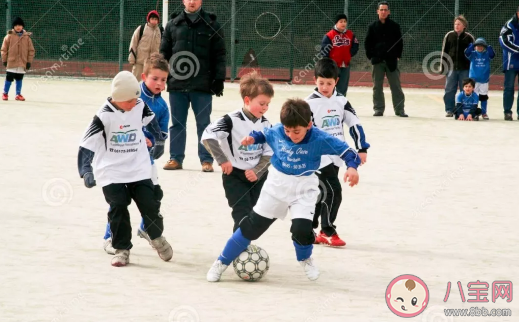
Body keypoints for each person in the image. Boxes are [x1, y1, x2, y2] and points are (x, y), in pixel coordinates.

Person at [205, 99, 361, 282]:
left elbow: (348, 152)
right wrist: (252, 138)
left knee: (301, 229)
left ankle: (305, 259)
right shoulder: (278, 130)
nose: (292, 135)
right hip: (276, 186)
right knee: (251, 227)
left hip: (304, 189)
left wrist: (352, 167)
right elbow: (263, 134)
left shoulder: (320, 138)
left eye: (297, 131)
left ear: (309, 125)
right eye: (288, 130)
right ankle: (221, 262)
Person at [78, 71, 173, 267]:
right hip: (111, 170)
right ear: (119, 99)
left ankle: (156, 236)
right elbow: (86, 145)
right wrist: (86, 171)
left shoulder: (139, 105)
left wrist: (158, 141)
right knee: (119, 206)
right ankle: (122, 249)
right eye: (131, 99)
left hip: (138, 166)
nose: (135, 102)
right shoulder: (103, 116)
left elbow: (152, 122)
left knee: (150, 202)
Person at [102, 53, 170, 255]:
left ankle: (147, 228)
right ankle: (110, 236)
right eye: (154, 78)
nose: (159, 83)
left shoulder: (163, 106)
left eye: (163, 80)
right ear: (143, 77)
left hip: (144, 160)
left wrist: (156, 143)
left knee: (154, 196)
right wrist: (140, 136)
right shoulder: (129, 96)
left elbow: (161, 135)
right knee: (119, 201)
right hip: (121, 160)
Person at [305, 58, 370, 247]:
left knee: (321, 193)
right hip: (318, 157)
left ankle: (309, 229)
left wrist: (362, 148)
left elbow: (354, 123)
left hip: (336, 156)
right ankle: (327, 230)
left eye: (329, 83)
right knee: (334, 192)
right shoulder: (308, 104)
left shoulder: (342, 101)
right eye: (321, 82)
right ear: (315, 80)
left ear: (336, 81)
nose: (325, 87)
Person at [201, 72, 274, 232]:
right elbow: (207, 137)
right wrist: (222, 160)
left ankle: (242, 247)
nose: (265, 107)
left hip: (258, 178)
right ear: (247, 100)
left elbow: (269, 153)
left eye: (268, 104)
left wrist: (257, 170)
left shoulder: (267, 125)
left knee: (255, 216)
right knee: (242, 214)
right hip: (234, 177)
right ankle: (238, 251)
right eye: (262, 103)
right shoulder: (229, 120)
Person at [160, 0, 226, 172]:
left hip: (202, 85)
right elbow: (163, 54)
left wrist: (219, 79)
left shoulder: (212, 25)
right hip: (177, 85)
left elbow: (219, 55)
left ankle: (206, 160)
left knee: (204, 124)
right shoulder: (172, 25)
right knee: (177, 123)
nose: (191, 1)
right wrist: (161, 78)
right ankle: (175, 158)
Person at [364, 1, 407, 117]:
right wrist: (371, 56)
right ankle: (378, 109)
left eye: (385, 10)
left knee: (396, 86)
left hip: (391, 61)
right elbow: (367, 43)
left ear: (389, 12)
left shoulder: (394, 26)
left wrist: (397, 55)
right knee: (377, 86)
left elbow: (400, 43)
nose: (383, 12)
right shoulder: (372, 27)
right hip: (377, 61)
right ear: (377, 11)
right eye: (381, 10)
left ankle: (399, 110)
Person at [441, 15, 474, 117]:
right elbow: (444, 51)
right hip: (451, 68)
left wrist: (472, 69)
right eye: (455, 24)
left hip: (465, 69)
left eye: (459, 24)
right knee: (449, 89)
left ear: (464, 26)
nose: (456, 26)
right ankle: (449, 110)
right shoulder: (449, 35)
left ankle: (463, 109)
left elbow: (473, 54)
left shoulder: (469, 37)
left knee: (465, 90)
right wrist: (443, 66)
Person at [321, 13, 359, 96]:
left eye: (345, 21)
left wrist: (349, 54)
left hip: (345, 65)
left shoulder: (350, 34)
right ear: (336, 23)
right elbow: (324, 50)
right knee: (330, 87)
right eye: (341, 21)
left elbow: (355, 46)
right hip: (333, 66)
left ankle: (340, 105)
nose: (343, 23)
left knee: (342, 89)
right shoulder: (329, 35)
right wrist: (328, 63)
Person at [1, 17, 35, 101]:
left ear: (22, 26)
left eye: (20, 25)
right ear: (13, 27)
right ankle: (5, 93)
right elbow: (4, 49)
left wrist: (28, 62)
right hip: (11, 62)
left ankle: (18, 94)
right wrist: (4, 60)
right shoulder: (9, 36)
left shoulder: (27, 38)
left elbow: (31, 50)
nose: (18, 27)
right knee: (9, 78)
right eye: (16, 25)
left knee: (19, 78)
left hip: (22, 63)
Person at [464, 38, 495, 120]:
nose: (479, 47)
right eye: (477, 46)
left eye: (481, 46)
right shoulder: (473, 54)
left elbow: (492, 55)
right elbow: (466, 53)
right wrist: (472, 46)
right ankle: (474, 112)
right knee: (474, 96)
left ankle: (484, 113)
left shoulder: (487, 54)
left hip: (484, 79)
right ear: (475, 46)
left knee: (483, 96)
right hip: (473, 80)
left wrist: (488, 47)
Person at [128, 10, 163, 80]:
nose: (154, 21)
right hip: (140, 62)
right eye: (152, 19)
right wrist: (132, 58)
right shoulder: (141, 28)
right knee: (135, 82)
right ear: (148, 19)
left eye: (156, 19)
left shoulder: (160, 31)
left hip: (153, 64)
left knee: (150, 83)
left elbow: (161, 47)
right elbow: (133, 43)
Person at [499, 7, 519, 121]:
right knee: (509, 88)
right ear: (517, 13)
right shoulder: (509, 26)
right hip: (511, 62)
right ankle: (507, 112)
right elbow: (504, 42)